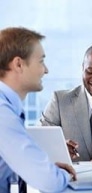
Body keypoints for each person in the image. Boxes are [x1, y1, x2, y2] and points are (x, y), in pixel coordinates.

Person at [0, 27, 76, 193]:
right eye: (41, 61)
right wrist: (60, 174)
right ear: (18, 64)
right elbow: (50, 183)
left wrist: (43, 169)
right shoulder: (2, 112)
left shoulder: (7, 107)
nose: (46, 70)